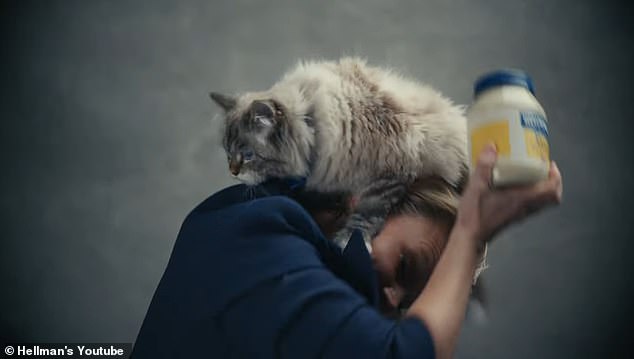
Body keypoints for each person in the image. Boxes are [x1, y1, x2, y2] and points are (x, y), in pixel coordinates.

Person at [131, 144, 563, 358]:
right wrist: (469, 232)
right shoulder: (255, 233)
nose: (391, 300)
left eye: (407, 305)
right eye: (405, 266)